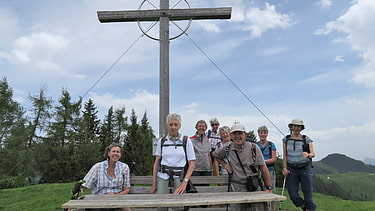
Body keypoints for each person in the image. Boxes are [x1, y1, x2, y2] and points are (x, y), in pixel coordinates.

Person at [213, 122, 273, 211]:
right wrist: (225, 165)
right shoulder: (227, 147)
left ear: (245, 135)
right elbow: (215, 155)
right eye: (235, 134)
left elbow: (263, 168)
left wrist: (269, 188)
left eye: (240, 133)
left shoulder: (253, 147)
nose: (237, 136)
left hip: (253, 187)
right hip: (236, 188)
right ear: (231, 135)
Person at [151, 113, 196, 211]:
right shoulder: (162, 141)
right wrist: (154, 184)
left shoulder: (186, 140)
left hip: (179, 179)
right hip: (163, 178)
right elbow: (156, 162)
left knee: (179, 207)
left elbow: (192, 163)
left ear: (180, 126)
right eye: (171, 124)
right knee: (161, 206)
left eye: (176, 124)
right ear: (167, 126)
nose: (173, 127)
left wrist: (185, 182)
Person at [81, 143, 131, 211]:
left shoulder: (124, 167)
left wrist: (116, 196)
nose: (115, 153)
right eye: (113, 151)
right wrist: (74, 201)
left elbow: (127, 189)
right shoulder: (97, 167)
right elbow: (84, 185)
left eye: (118, 152)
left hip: (117, 199)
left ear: (120, 155)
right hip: (98, 200)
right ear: (108, 153)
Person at [282, 119, 316, 211]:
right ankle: (306, 207)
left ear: (301, 128)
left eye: (298, 126)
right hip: (291, 169)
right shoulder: (286, 139)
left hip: (305, 168)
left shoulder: (306, 139)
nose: (296, 128)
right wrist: (284, 168)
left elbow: (313, 154)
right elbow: (285, 155)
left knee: (307, 195)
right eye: (294, 126)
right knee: (292, 194)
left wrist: (308, 155)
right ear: (291, 127)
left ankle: (309, 208)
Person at [256, 126, 277, 211]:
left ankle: (272, 209)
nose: (263, 134)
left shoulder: (271, 145)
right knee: (259, 189)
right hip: (258, 171)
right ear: (258, 134)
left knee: (271, 189)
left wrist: (264, 162)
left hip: (270, 170)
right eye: (261, 133)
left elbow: (274, 159)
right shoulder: (255, 145)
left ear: (267, 134)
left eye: (264, 133)